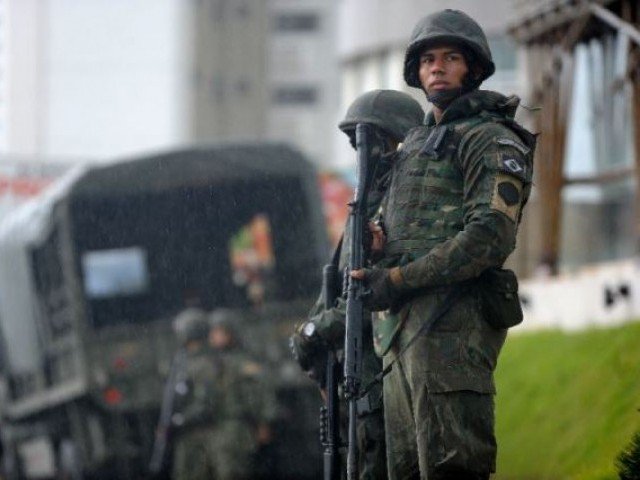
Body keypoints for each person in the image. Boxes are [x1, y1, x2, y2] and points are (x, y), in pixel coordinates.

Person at [350, 9, 536, 480]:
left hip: (454, 326)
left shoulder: (491, 138)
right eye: (429, 59)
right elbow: (402, 229)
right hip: (399, 331)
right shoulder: (413, 144)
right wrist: (376, 246)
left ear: (472, 68)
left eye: (451, 57)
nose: (437, 67)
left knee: (452, 468)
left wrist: (396, 278)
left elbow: (489, 237)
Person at [291, 89, 424, 480]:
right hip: (356, 379)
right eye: (357, 142)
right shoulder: (364, 203)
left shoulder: (406, 200)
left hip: (386, 368)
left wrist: (319, 329)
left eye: (372, 141)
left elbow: (386, 290)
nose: (364, 152)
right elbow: (338, 284)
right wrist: (311, 333)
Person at [208, 308, 277, 480]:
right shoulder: (214, 361)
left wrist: (264, 422)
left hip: (238, 426)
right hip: (219, 426)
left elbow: (263, 391)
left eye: (218, 331)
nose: (214, 336)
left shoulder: (244, 361)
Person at [168, 308, 221, 480]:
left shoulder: (203, 364)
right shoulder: (187, 361)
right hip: (193, 434)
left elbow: (205, 404)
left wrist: (180, 420)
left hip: (204, 434)